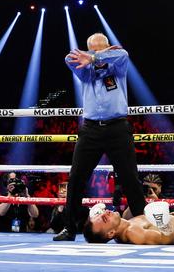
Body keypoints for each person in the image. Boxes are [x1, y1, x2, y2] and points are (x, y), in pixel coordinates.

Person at [54, 33, 146, 241]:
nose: (94, 54)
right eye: (91, 50)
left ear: (108, 48)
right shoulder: (83, 67)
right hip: (91, 129)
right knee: (76, 177)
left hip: (117, 128)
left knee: (130, 177)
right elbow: (68, 58)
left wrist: (97, 57)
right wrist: (91, 57)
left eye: (100, 49)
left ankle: (144, 223)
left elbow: (123, 55)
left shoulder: (118, 63)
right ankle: (69, 227)